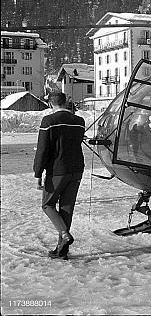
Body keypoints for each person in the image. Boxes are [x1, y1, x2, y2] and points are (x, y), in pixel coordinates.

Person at [33, 92, 85, 260]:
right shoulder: (79, 122)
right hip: (77, 169)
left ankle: (64, 234)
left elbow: (42, 149)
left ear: (50, 104)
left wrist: (38, 172)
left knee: (47, 205)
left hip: (57, 170)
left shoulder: (48, 121)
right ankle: (61, 250)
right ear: (66, 102)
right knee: (66, 208)